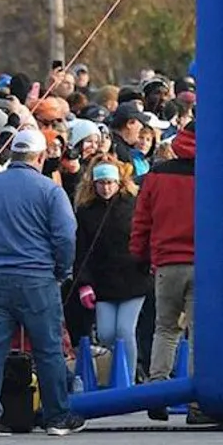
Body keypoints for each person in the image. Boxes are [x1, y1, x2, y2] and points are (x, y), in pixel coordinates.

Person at [0, 127, 83, 436]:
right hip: (37, 278)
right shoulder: (49, 191)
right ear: (40, 156)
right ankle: (56, 416)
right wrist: (61, 270)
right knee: (48, 350)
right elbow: (66, 236)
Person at [130, 124, 200, 422]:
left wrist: (139, 254)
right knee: (199, 336)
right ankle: (199, 404)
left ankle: (157, 392)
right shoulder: (214, 174)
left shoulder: (156, 175)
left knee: (165, 330)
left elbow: (141, 219)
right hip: (204, 266)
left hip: (166, 265)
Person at [72, 158, 149, 389]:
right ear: (94, 184)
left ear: (119, 183)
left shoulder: (133, 205)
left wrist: (147, 264)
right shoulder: (86, 212)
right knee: (106, 333)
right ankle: (118, 371)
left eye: (110, 183)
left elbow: (145, 236)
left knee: (125, 330)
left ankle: (128, 381)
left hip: (133, 278)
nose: (106, 187)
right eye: (101, 183)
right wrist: (84, 283)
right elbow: (82, 250)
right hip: (102, 281)